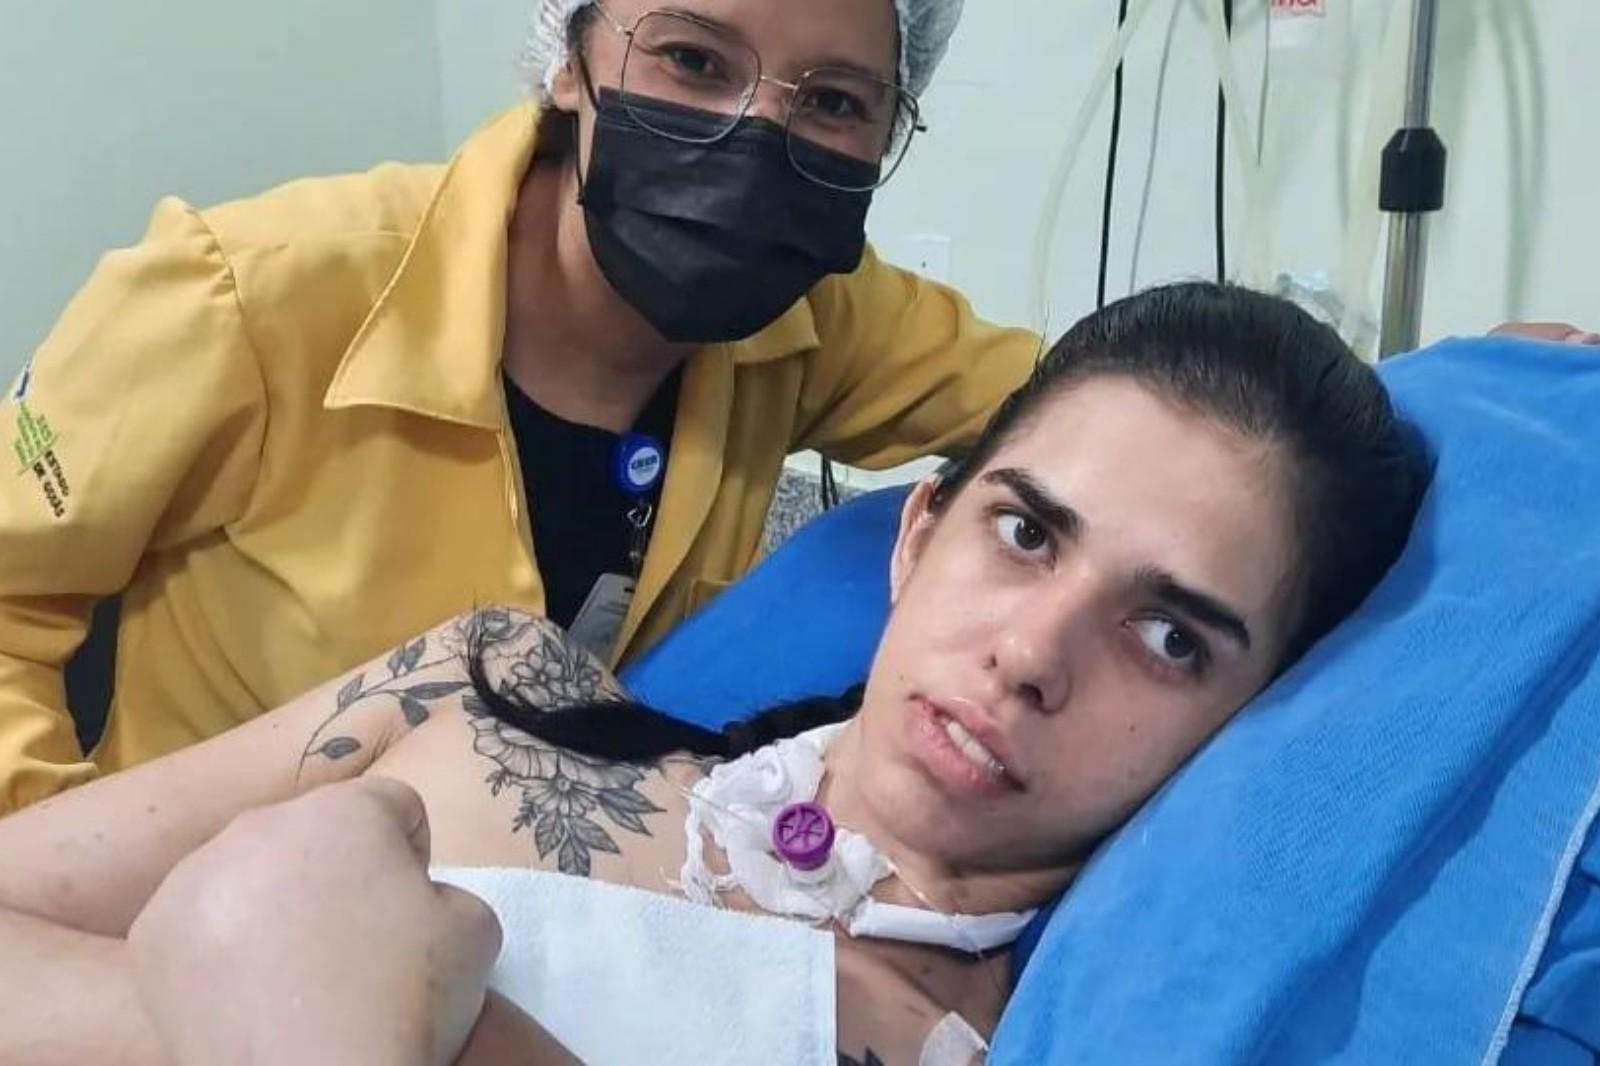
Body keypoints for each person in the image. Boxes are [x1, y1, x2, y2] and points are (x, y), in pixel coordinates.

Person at [0, 284, 1425, 1063]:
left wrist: (306, 955)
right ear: (917, 533)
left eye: (1169, 636)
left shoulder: (988, 1045)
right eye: (1025, 532)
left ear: (1251, 721)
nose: (1031, 655)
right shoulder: (479, 688)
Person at [0, 0, 1042, 812]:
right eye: (691, 59)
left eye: (835, 102)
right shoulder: (244, 293)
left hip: (513, 905)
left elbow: (1092, 408)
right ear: (569, 57)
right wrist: (67, 885)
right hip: (185, 912)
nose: (754, 135)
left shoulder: (815, 322)